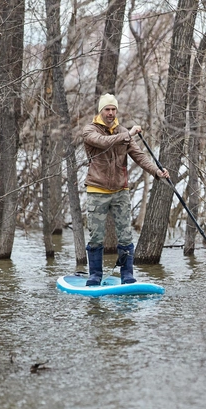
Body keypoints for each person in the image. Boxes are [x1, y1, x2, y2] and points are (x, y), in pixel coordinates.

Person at [82, 93, 169, 286]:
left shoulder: (122, 132)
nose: (111, 113)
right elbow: (103, 142)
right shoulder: (89, 130)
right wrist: (127, 134)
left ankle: (127, 275)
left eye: (113, 109)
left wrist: (157, 171)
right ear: (101, 111)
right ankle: (95, 275)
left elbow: (140, 156)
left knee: (125, 235)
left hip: (120, 191)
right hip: (97, 190)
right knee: (96, 236)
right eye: (107, 109)